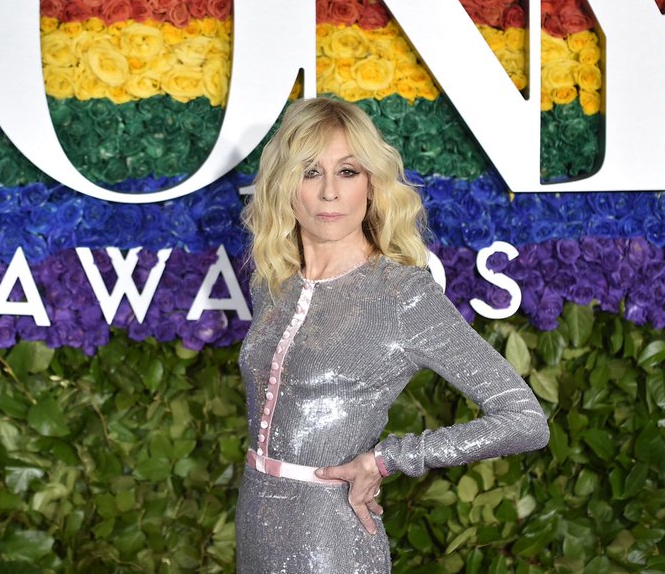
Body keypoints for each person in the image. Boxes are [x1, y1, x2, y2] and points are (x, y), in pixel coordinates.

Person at [235, 97, 549, 572]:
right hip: (254, 529)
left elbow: (525, 420)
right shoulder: (272, 280)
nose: (328, 194)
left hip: (332, 542)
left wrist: (387, 459)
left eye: (347, 171)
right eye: (309, 171)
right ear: (284, 185)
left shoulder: (401, 295)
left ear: (372, 184)